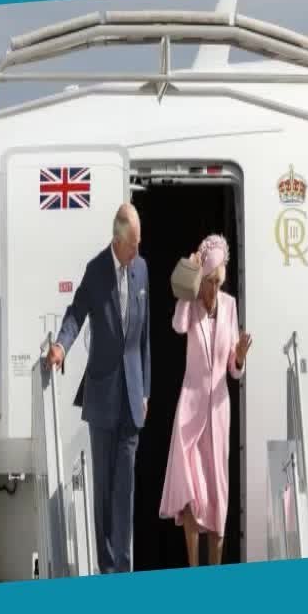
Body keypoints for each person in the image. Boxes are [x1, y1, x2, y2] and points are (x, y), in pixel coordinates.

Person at [46, 203, 151, 574]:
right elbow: (76, 313)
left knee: (126, 490)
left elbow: (144, 338)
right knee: (104, 489)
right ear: (117, 239)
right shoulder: (96, 270)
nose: (138, 251)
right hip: (104, 395)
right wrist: (60, 346)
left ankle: (123, 569)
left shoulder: (141, 270)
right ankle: (106, 568)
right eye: (133, 245)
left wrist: (146, 390)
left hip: (132, 398)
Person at [159, 234, 251, 567]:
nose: (213, 289)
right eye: (209, 281)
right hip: (190, 408)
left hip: (218, 410)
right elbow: (177, 325)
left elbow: (233, 369)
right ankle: (194, 571)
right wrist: (191, 280)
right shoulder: (193, 301)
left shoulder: (229, 306)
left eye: (217, 282)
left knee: (217, 491)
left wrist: (239, 358)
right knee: (190, 494)